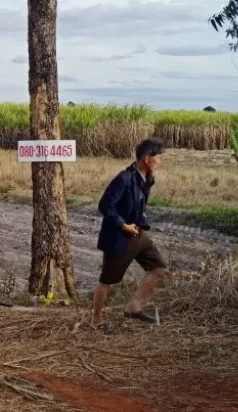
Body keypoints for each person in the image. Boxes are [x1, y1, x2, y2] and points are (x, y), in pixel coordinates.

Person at [92, 138, 168, 333]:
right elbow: (105, 206)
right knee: (108, 282)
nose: (160, 161)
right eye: (158, 157)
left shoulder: (147, 178)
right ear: (146, 158)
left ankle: (134, 307)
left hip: (137, 234)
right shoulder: (124, 178)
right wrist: (123, 225)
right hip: (119, 237)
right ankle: (97, 320)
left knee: (159, 269)